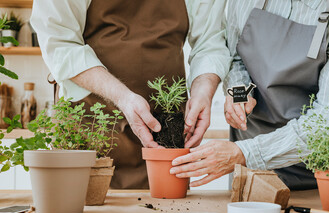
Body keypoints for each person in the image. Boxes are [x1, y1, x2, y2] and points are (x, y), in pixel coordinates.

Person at [31, 0, 231, 189]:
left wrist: (203, 91)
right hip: (91, 122)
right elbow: (59, 43)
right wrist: (122, 97)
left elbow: (209, 42)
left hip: (165, 131)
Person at [170, 0, 329, 189]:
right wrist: (240, 94)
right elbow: (237, 57)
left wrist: (244, 154)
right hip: (251, 172)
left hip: (322, 177)